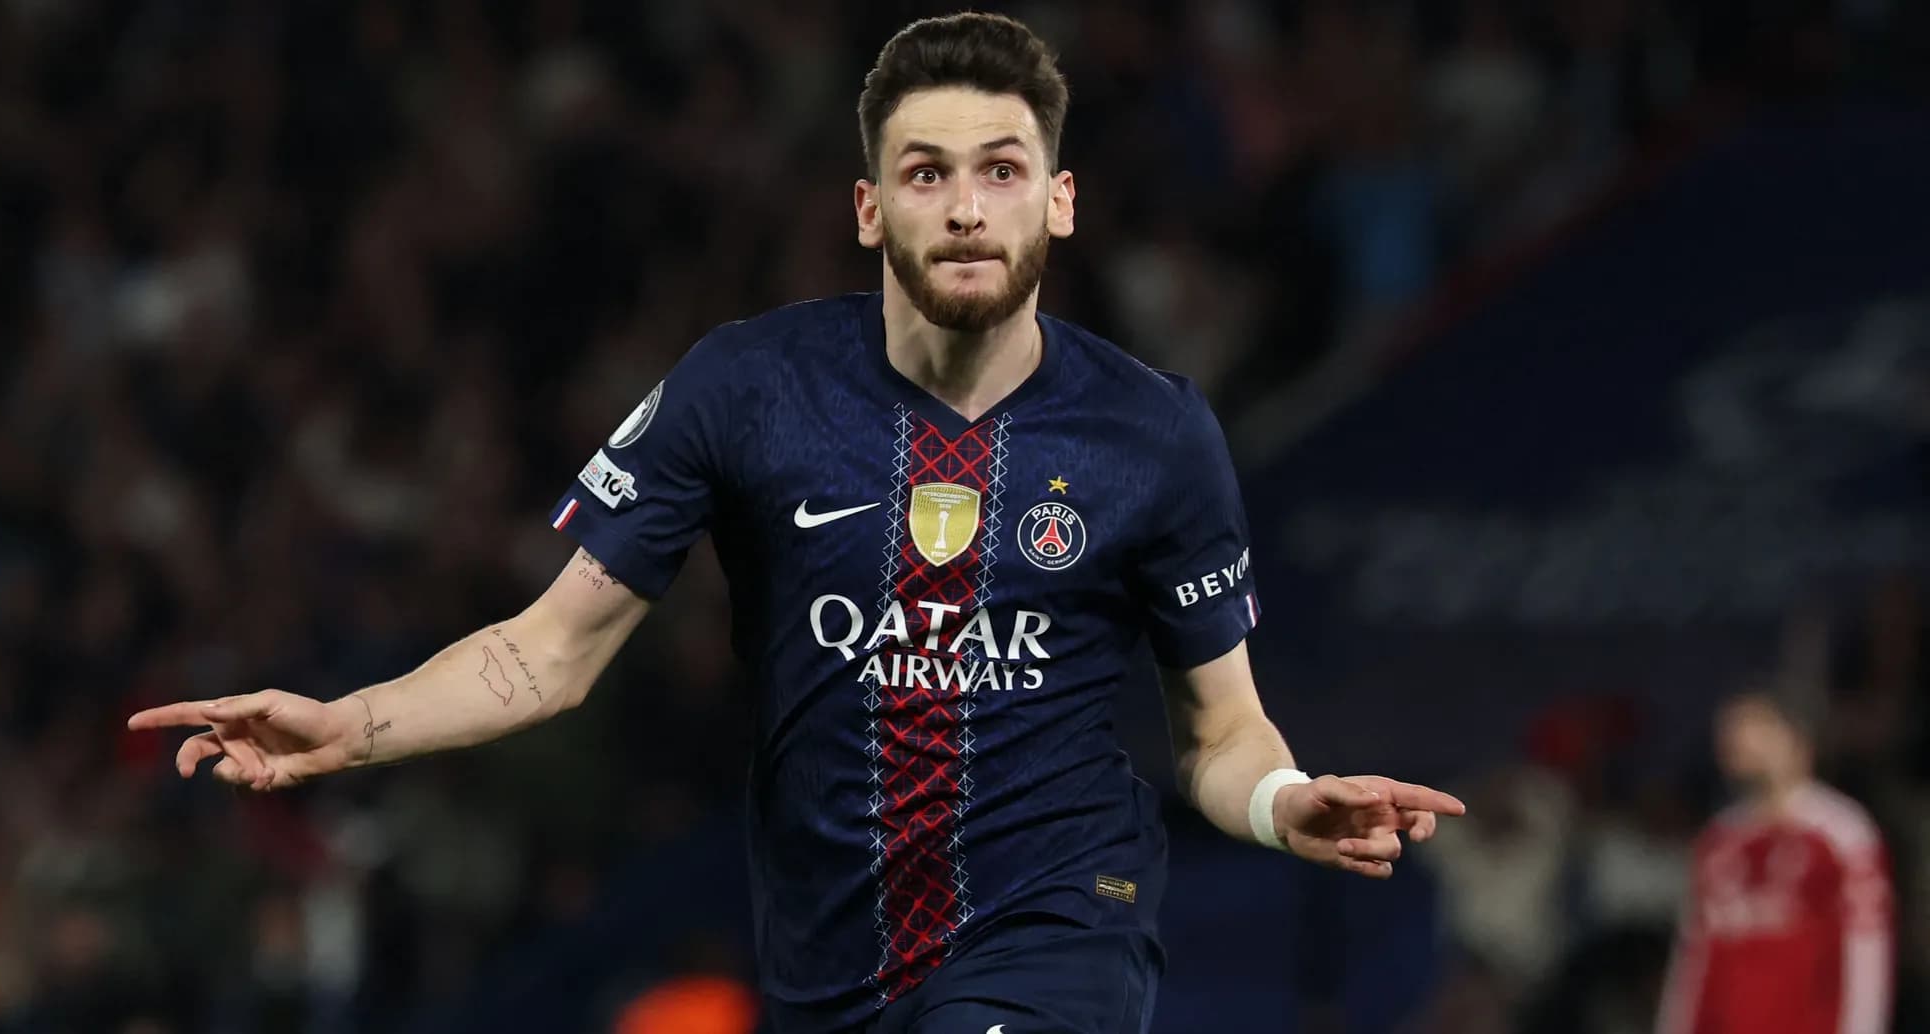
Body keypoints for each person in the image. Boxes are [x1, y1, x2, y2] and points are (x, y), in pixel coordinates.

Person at [128, 13, 1465, 1033]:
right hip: (829, 959)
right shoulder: (745, 388)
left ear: (1058, 200)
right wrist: (345, 726)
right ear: (870, 208)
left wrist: (1287, 800)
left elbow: (1217, 731)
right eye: (925, 172)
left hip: (1058, 934)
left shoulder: (1154, 431)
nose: (963, 204)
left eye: (1002, 169)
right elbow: (551, 651)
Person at [1655, 692, 1893, 1034]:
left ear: (1798, 739)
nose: (1738, 738)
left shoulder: (1842, 833)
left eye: (1755, 725)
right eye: (1731, 728)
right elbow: (1692, 960)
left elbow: (1866, 954)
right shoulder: (1720, 839)